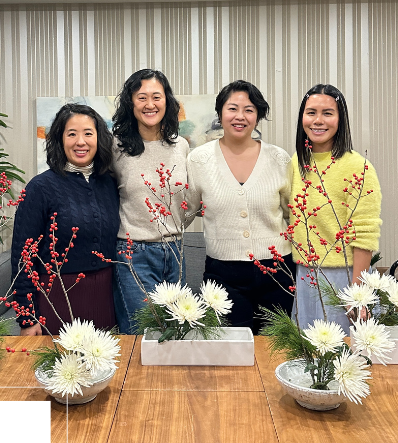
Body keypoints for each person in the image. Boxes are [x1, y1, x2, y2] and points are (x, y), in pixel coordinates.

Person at [184, 80, 294, 330]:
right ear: (220, 113)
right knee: (229, 350)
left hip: (277, 270)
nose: (240, 116)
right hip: (223, 272)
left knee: (274, 346)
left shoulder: (279, 158)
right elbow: (185, 212)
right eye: (232, 108)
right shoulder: (198, 160)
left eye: (249, 110)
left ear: (258, 116)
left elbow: (293, 214)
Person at [8, 103, 120, 333]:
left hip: (107, 299)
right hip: (58, 300)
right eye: (72, 134)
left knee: (106, 366)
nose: (81, 142)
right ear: (60, 140)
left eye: (88, 133)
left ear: (99, 139)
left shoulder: (110, 184)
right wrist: (27, 318)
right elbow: (22, 257)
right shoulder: (40, 187)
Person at [288, 85, 381, 332]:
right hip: (303, 272)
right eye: (311, 113)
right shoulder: (297, 162)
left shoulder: (358, 166)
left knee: (339, 355)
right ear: (302, 118)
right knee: (305, 353)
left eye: (328, 113)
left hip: (343, 276)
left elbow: (365, 233)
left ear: (341, 119)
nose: (318, 121)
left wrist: (357, 294)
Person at [110, 69, 192, 332]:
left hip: (176, 250)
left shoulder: (181, 146)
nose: (149, 104)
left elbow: (187, 200)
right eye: (141, 97)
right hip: (134, 252)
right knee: (141, 333)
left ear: (167, 101)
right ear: (130, 103)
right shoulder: (116, 147)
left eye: (156, 96)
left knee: (174, 332)